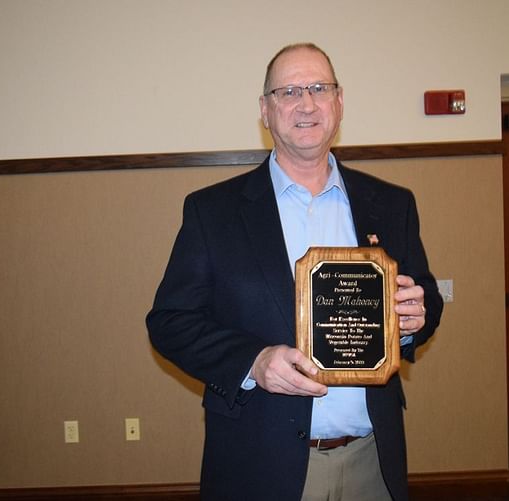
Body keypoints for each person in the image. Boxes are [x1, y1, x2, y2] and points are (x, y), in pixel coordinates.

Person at [146, 43, 442, 501]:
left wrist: (410, 322)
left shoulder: (392, 203)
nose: (306, 103)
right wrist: (253, 362)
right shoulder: (213, 211)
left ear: (339, 103)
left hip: (372, 463)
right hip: (259, 465)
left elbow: (424, 295)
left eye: (319, 88)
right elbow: (170, 322)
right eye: (288, 92)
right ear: (265, 111)